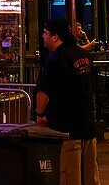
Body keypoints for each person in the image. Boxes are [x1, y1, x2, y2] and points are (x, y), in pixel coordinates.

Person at [35, 16, 99, 185]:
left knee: (70, 178)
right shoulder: (82, 54)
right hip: (88, 127)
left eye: (45, 33)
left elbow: (43, 92)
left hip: (68, 130)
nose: (43, 36)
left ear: (55, 36)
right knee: (90, 178)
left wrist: (40, 114)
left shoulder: (55, 59)